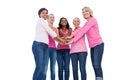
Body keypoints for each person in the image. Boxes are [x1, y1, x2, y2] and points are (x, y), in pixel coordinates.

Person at [67, 7, 104, 80]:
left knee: (97, 65)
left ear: (90, 12)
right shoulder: (86, 23)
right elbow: (80, 31)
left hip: (98, 44)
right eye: (83, 12)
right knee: (94, 65)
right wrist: (71, 36)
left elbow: (83, 31)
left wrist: (73, 40)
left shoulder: (93, 20)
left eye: (86, 11)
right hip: (92, 46)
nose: (85, 13)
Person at [32, 8, 65, 80]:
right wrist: (62, 41)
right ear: (40, 15)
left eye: (46, 13)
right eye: (43, 13)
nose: (45, 14)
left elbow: (53, 34)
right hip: (39, 45)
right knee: (40, 67)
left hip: (45, 46)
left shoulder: (44, 23)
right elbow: (51, 32)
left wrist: (61, 40)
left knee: (42, 67)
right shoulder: (41, 21)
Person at [43, 14, 58, 80]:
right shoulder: (45, 27)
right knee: (45, 66)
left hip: (54, 49)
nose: (52, 18)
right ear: (48, 19)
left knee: (53, 67)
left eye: (53, 17)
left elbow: (57, 38)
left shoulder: (56, 28)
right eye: (50, 17)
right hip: (46, 48)